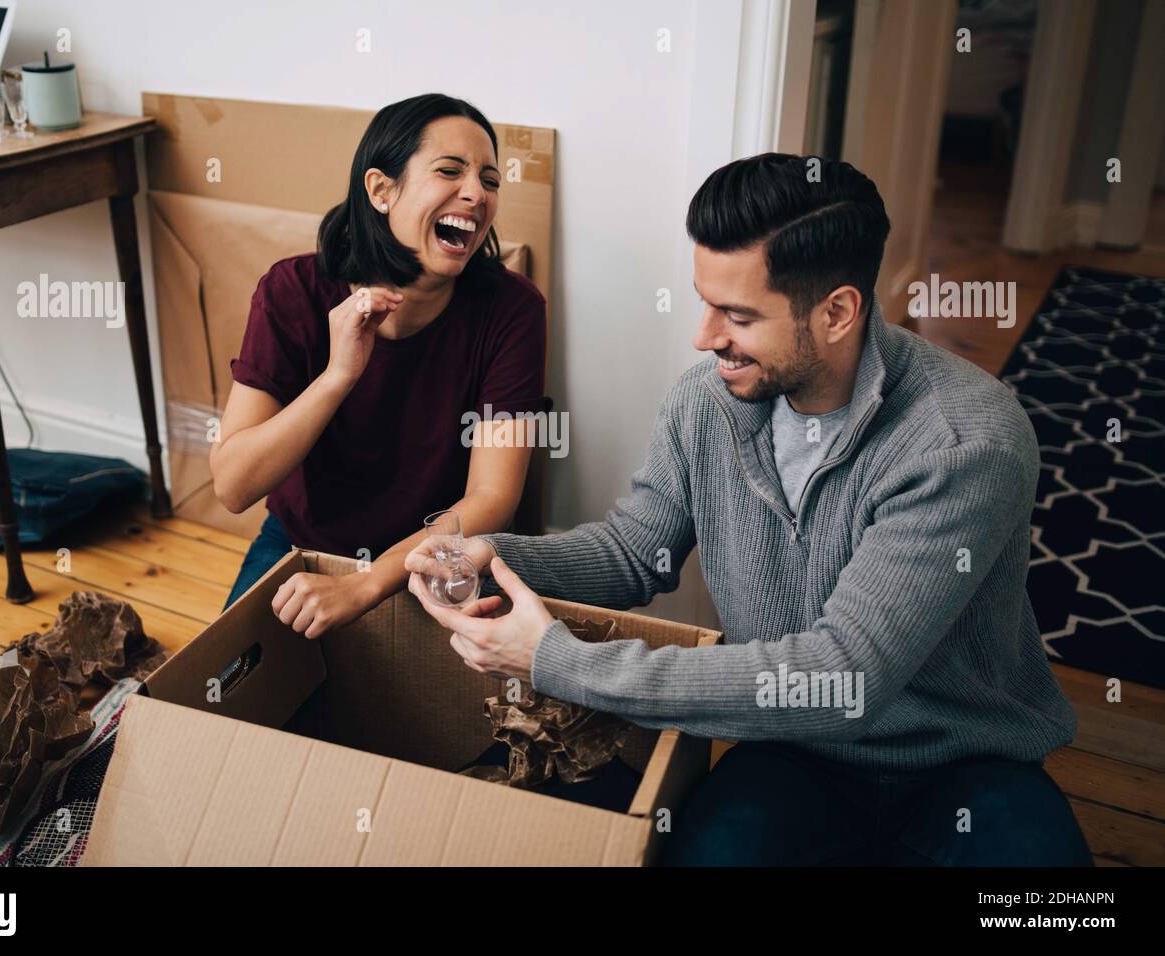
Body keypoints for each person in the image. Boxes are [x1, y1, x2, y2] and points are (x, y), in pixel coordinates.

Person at [405, 153, 1092, 867]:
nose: (704, 338)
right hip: (794, 754)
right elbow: (637, 552)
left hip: (967, 764)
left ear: (837, 313)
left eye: (737, 316)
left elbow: (844, 677)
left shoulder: (963, 442)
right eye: (704, 301)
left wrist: (557, 661)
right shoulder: (707, 401)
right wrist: (498, 555)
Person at [212, 93, 547, 635]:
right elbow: (232, 486)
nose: (476, 193)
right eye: (450, 171)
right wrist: (338, 375)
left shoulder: (513, 310)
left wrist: (366, 582)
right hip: (301, 543)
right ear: (381, 190)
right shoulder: (291, 291)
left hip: (436, 556)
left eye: (489, 180)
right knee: (217, 697)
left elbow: (493, 498)